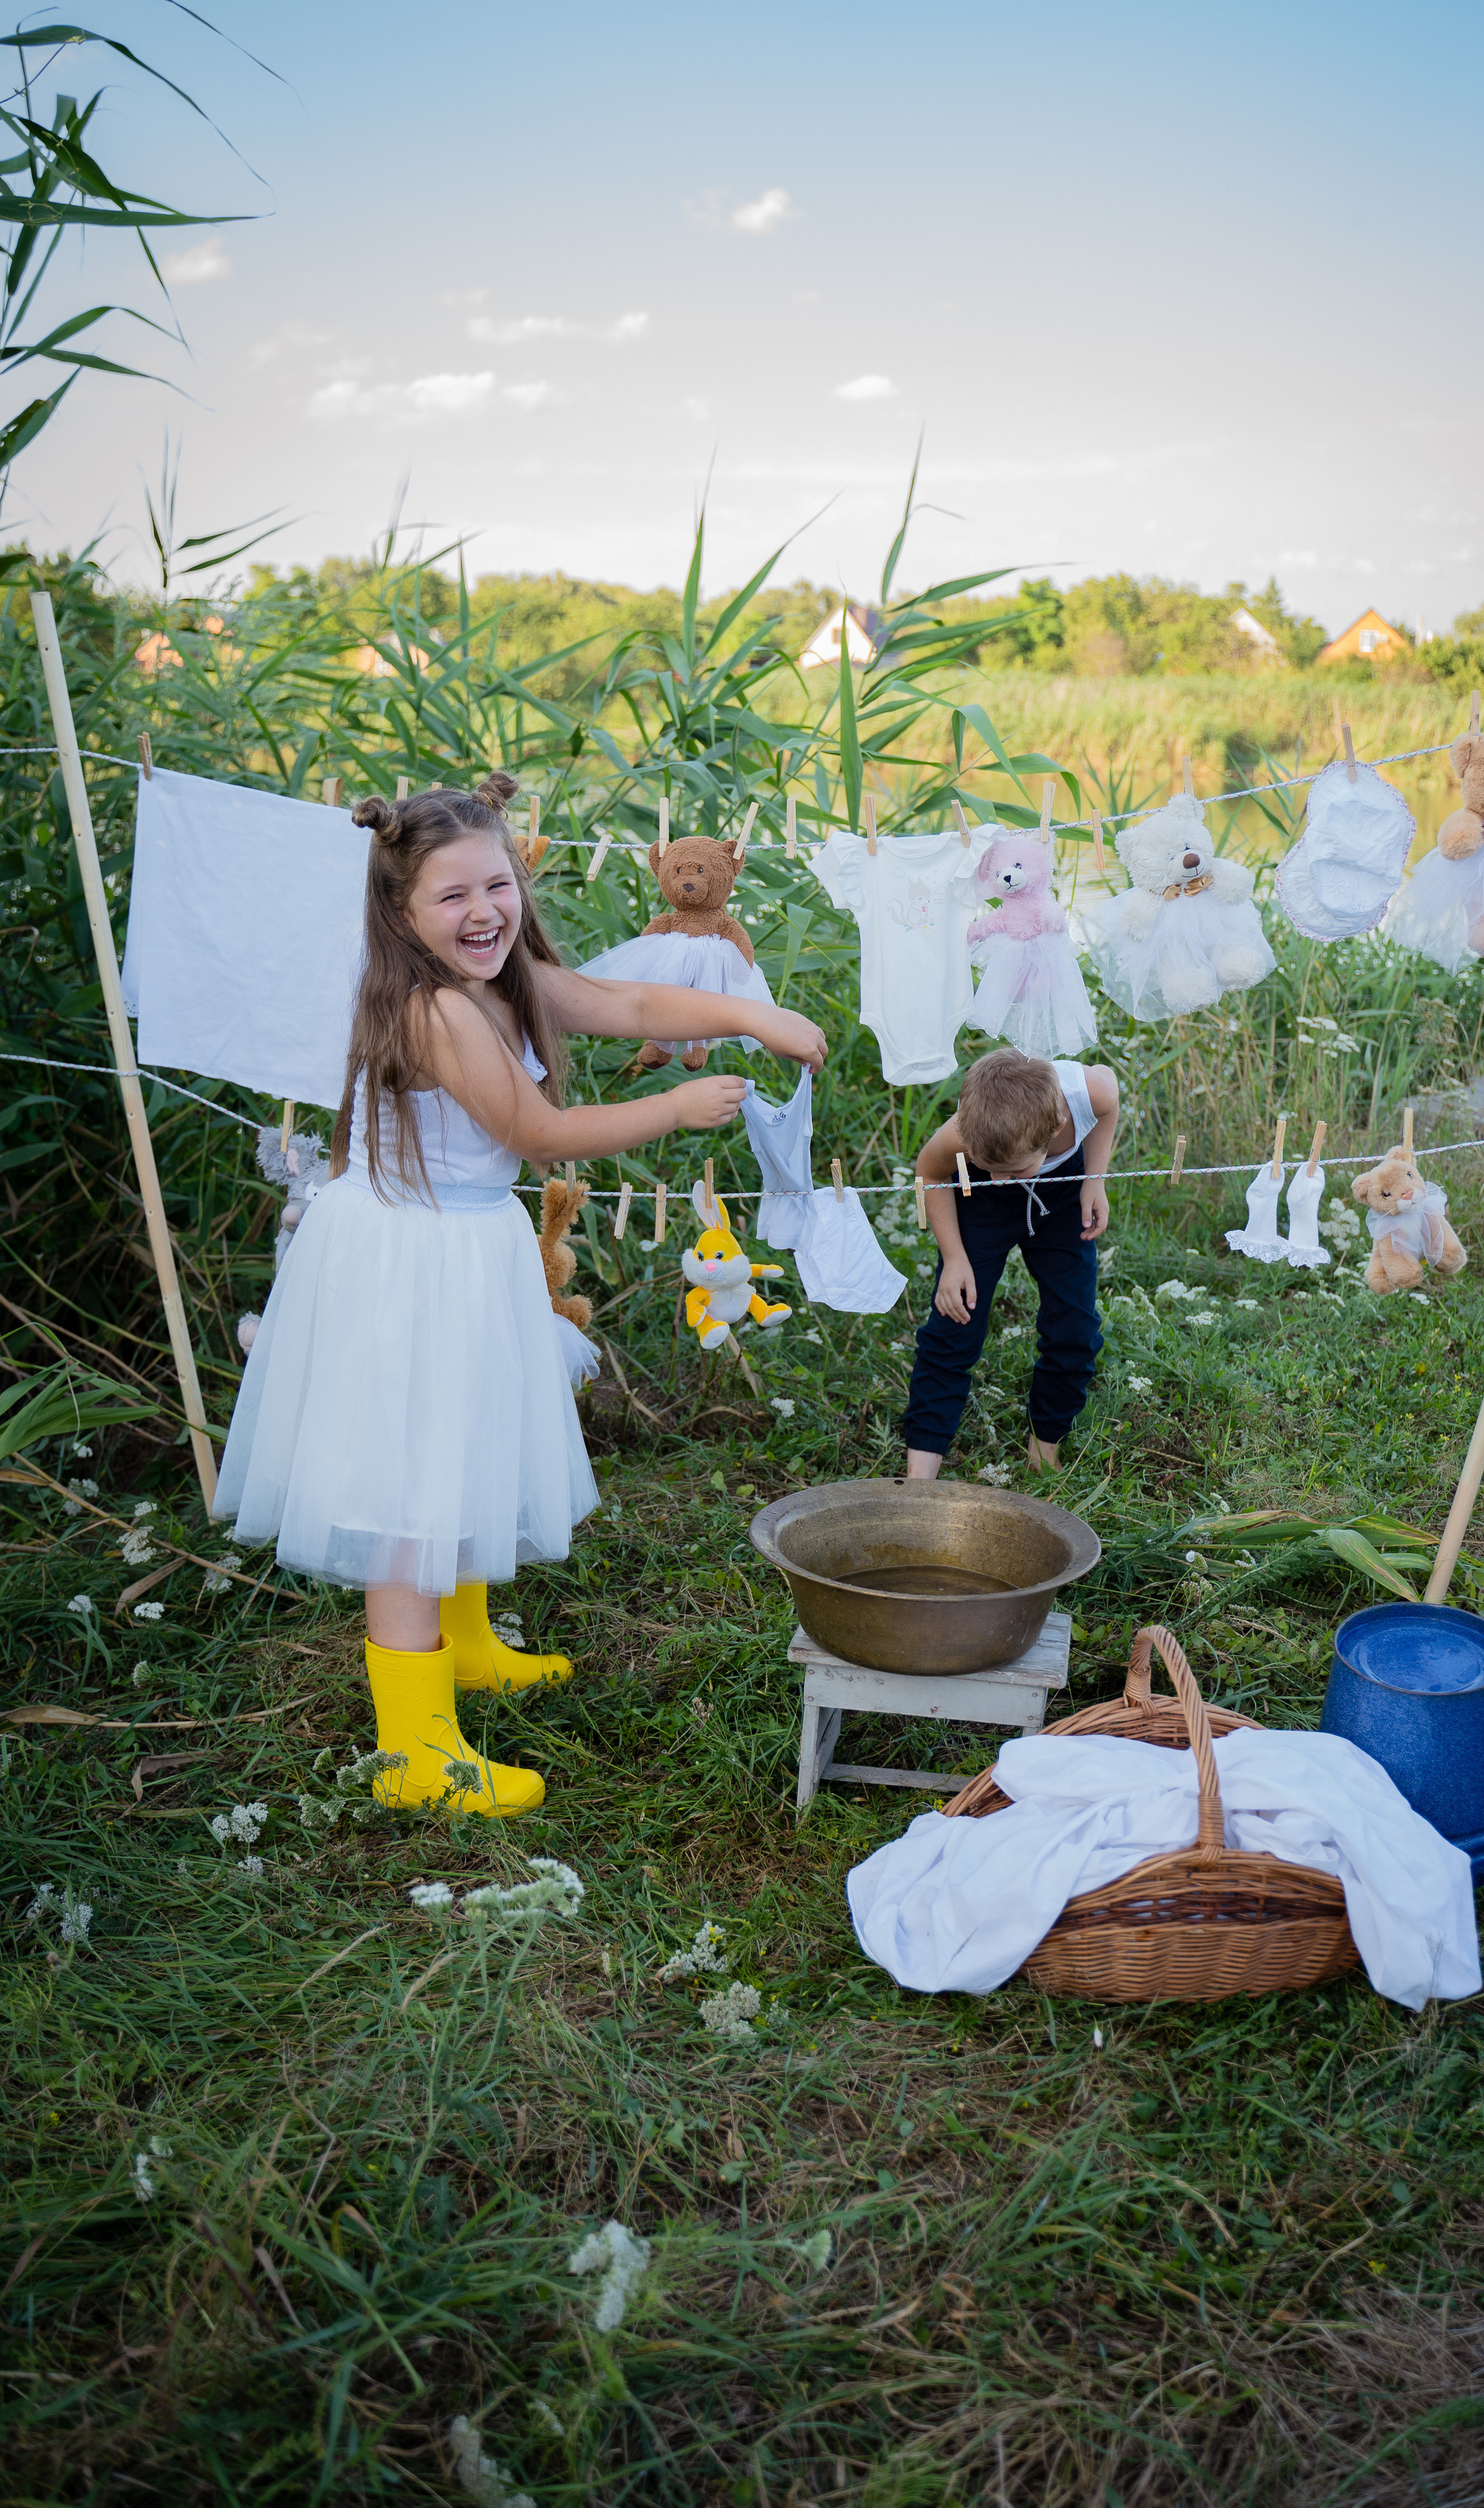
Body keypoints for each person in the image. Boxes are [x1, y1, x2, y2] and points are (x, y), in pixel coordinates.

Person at [214, 773, 826, 1817]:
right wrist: (675, 1106)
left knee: (462, 1443)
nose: (483, 911)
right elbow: (537, 1135)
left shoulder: (508, 978)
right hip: (410, 1258)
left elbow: (630, 1004)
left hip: (464, 1241)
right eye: (452, 896)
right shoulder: (435, 1009)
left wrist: (754, 1016)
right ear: (400, 911)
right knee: (410, 1489)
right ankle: (414, 1753)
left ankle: (462, 1643)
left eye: (495, 885)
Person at [903, 1047, 1118, 1480]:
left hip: (1061, 1196)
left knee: (1073, 1327)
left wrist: (1094, 1180)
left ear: (1055, 1128)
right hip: (978, 1202)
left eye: (1012, 1172)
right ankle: (918, 1479)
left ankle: (1044, 1453)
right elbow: (931, 1174)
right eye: (988, 1167)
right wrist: (955, 1259)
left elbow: (1109, 1105)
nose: (1001, 1180)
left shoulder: (1088, 1092)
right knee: (955, 1321)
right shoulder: (966, 1134)